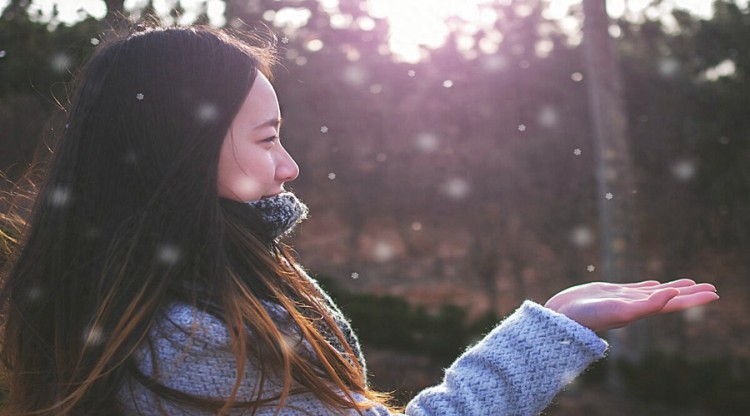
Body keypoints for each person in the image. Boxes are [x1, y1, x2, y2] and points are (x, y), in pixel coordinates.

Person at [0, 25, 718, 416]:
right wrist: (550, 332)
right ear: (181, 153)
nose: (291, 166)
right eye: (266, 137)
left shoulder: (109, 299)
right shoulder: (195, 342)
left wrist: (557, 318)